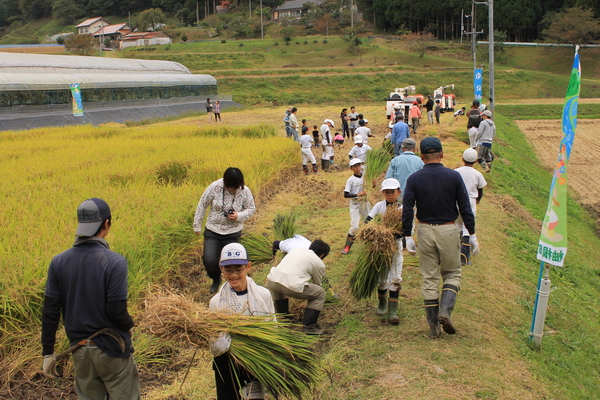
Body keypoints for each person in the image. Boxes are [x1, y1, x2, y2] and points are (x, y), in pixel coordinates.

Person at [42, 198, 140, 399]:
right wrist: (129, 326)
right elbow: (116, 310)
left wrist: (48, 352)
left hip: (80, 351)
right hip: (112, 349)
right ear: (106, 224)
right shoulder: (115, 262)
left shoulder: (58, 262)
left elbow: (50, 311)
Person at [402, 137, 477, 339]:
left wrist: (407, 235)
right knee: (452, 272)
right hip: (448, 230)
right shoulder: (453, 177)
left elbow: (407, 209)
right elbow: (465, 207)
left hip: (425, 230)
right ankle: (445, 311)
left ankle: (433, 326)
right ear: (442, 154)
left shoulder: (414, 179)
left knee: (429, 277)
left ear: (421, 156)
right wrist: (472, 233)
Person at [209, 243, 275, 400]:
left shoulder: (263, 295)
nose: (233, 275)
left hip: (255, 357)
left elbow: (274, 326)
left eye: (238, 269)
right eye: (228, 270)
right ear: (221, 268)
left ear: (248, 266)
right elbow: (213, 338)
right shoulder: (216, 302)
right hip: (227, 360)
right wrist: (217, 344)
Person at [193, 167, 256, 293]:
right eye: (232, 187)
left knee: (233, 263)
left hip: (233, 232)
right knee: (209, 261)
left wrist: (238, 216)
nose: (234, 189)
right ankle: (216, 279)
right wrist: (197, 225)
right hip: (213, 230)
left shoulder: (244, 190)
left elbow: (251, 208)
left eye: (237, 187)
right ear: (226, 183)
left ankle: (236, 284)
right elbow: (202, 204)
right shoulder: (215, 187)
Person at [266, 240, 331, 334]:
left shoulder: (296, 250)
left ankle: (283, 317)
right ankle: (309, 326)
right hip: (291, 286)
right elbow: (317, 283)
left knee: (280, 290)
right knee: (320, 293)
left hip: (272, 281)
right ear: (322, 255)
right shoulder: (318, 263)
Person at [364, 178, 404, 325]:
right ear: (382, 193)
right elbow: (368, 222)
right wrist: (376, 233)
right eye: (386, 192)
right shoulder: (379, 206)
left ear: (398, 192)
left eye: (392, 192)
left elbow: (406, 230)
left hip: (395, 247)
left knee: (395, 278)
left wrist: (392, 235)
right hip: (380, 248)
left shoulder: (402, 209)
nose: (389, 195)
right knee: (382, 278)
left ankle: (393, 311)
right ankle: (382, 304)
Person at [455, 148, 487, 266]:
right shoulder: (477, 174)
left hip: (456, 201)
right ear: (476, 161)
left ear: (462, 159)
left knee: (457, 225)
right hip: (470, 203)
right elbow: (480, 190)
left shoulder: (456, 172)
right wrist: (478, 200)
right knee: (467, 227)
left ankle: (455, 250)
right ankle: (464, 255)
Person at [342, 158, 369, 255]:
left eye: (359, 165)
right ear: (351, 168)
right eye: (355, 166)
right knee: (355, 226)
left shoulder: (366, 177)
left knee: (367, 223)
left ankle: (368, 245)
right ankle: (347, 246)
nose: (358, 168)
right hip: (355, 204)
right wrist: (358, 194)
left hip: (365, 203)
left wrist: (373, 184)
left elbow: (369, 187)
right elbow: (346, 194)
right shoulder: (351, 180)